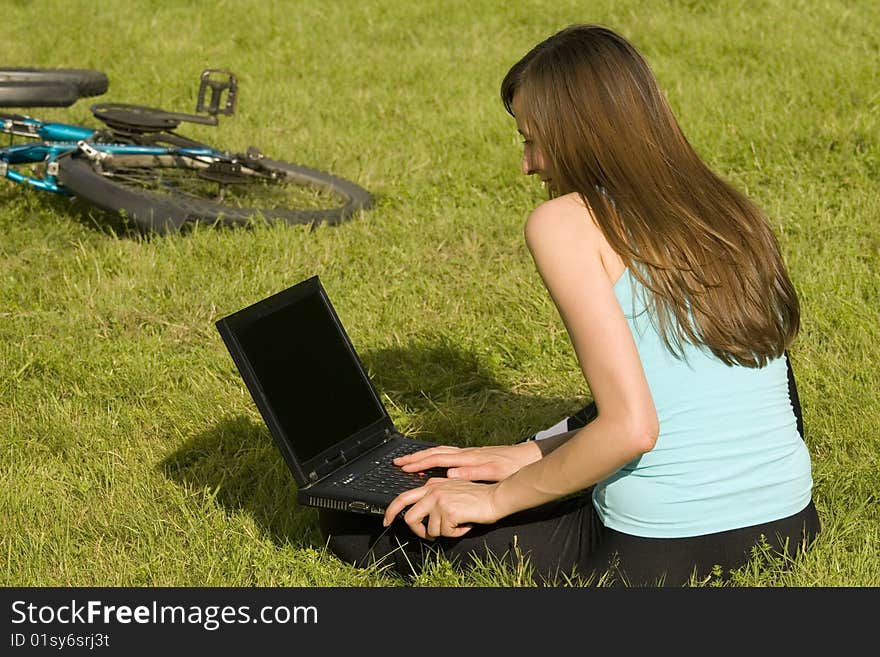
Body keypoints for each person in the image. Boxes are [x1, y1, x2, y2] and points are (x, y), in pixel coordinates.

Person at [317, 23, 820, 586]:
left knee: (363, 525)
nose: (527, 164)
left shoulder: (567, 222)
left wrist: (494, 500)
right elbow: (698, 397)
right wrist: (529, 454)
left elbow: (633, 428)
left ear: (579, 135)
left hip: (663, 544)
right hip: (789, 523)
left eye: (532, 140)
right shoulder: (729, 211)